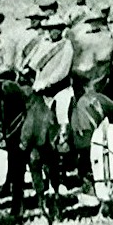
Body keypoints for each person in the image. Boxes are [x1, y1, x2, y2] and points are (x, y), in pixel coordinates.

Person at [29, 14, 76, 150]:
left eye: (57, 29)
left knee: (62, 110)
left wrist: (47, 82)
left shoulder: (67, 45)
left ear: (61, 30)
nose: (53, 32)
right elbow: (37, 65)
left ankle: (63, 140)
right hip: (43, 90)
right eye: (51, 29)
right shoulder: (44, 45)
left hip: (60, 89)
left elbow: (63, 70)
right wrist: (36, 80)